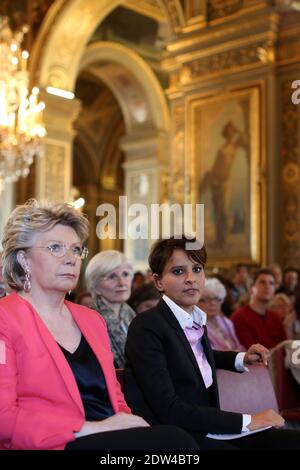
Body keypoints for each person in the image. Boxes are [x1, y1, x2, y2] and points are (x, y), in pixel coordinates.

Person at [0, 201, 198, 451]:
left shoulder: (91, 320)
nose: (71, 259)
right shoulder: (5, 319)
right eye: (55, 248)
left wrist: (128, 424)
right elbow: (4, 419)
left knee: (176, 441)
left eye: (75, 249)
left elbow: (114, 397)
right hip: (57, 443)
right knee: (175, 442)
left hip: (108, 441)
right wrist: (92, 429)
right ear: (23, 259)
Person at [125, 235, 300, 450]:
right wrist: (249, 420)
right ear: (158, 281)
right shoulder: (146, 326)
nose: (191, 278)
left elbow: (191, 357)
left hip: (208, 425)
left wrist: (240, 358)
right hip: (176, 435)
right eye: (178, 271)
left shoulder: (194, 318)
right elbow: (170, 408)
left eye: (197, 269)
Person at [199, 121, 248, 248]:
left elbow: (245, 139)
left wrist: (237, 129)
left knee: (224, 212)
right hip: (216, 181)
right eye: (228, 131)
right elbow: (216, 165)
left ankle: (224, 240)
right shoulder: (222, 148)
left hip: (225, 182)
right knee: (218, 212)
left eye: (232, 131)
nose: (230, 134)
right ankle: (220, 240)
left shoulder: (235, 146)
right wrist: (211, 179)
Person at [85, 250, 136, 369]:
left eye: (125, 274)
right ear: (95, 286)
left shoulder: (133, 315)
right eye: (112, 276)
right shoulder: (89, 320)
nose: (122, 282)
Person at [231, 269, 287, 349]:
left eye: (271, 283)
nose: (267, 286)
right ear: (251, 288)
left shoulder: (275, 318)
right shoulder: (239, 317)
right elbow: (247, 351)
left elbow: (285, 347)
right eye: (262, 282)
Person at [198, 277, 244, 351]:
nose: (213, 303)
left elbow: (239, 346)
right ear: (197, 302)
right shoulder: (197, 327)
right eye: (207, 299)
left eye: (217, 299)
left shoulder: (227, 322)